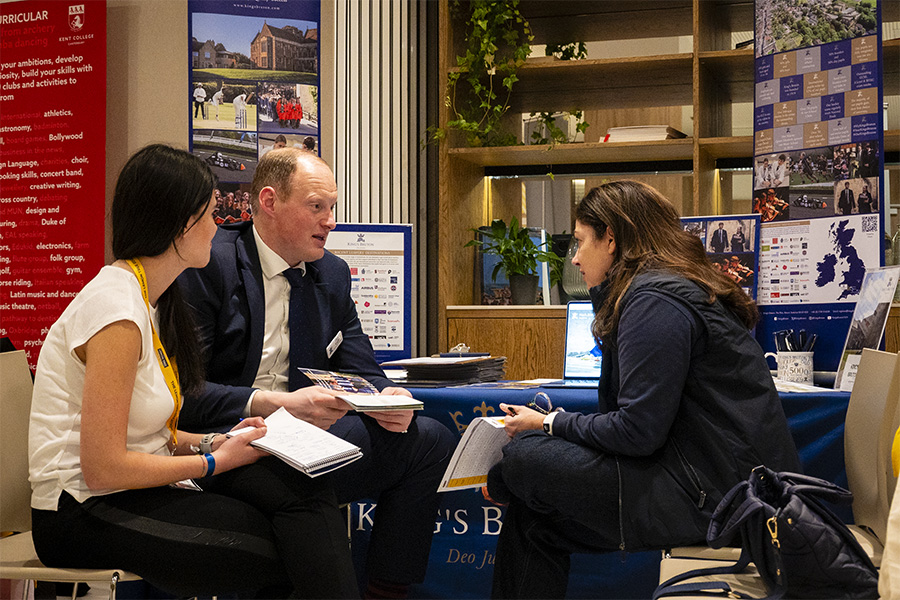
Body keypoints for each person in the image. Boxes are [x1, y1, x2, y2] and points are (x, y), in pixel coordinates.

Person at [28, 144, 357, 599]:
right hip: (80, 511)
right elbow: (102, 468)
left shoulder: (150, 301)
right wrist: (211, 461)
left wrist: (214, 440)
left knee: (300, 513)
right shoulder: (116, 309)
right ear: (180, 223)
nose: (216, 226)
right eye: (208, 213)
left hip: (131, 491)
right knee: (282, 552)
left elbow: (145, 433)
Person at [484, 180, 801, 599]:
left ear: (611, 239)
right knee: (535, 513)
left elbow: (636, 432)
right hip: (717, 483)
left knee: (523, 459)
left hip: (721, 499)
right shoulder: (661, 291)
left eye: (580, 243)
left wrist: (549, 424)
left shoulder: (655, 301)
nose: (575, 258)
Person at [176, 147, 455, 599]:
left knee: (429, 440)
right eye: (316, 207)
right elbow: (186, 394)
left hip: (305, 434)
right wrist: (275, 404)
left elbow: (363, 368)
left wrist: (388, 401)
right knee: (302, 484)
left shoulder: (332, 273)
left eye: (333, 207)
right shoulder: (212, 264)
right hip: (230, 438)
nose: (331, 221)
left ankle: (384, 589)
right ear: (268, 202)